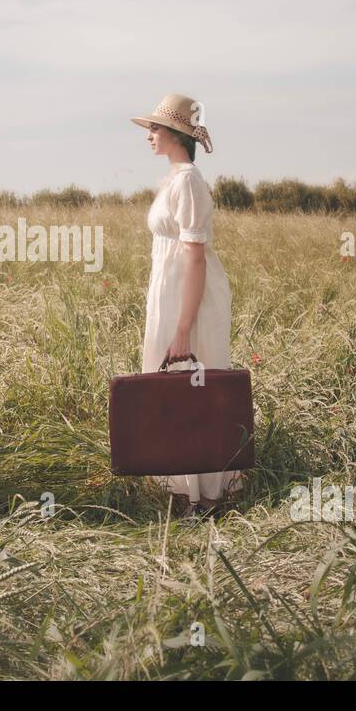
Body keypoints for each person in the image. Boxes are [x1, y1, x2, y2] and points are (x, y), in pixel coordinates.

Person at [129, 93, 238, 513]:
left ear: (176, 134)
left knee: (195, 383)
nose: (149, 136)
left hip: (189, 298)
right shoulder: (175, 178)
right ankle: (180, 487)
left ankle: (203, 495)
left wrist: (181, 327)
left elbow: (194, 256)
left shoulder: (189, 179)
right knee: (174, 389)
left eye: (155, 128)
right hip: (170, 292)